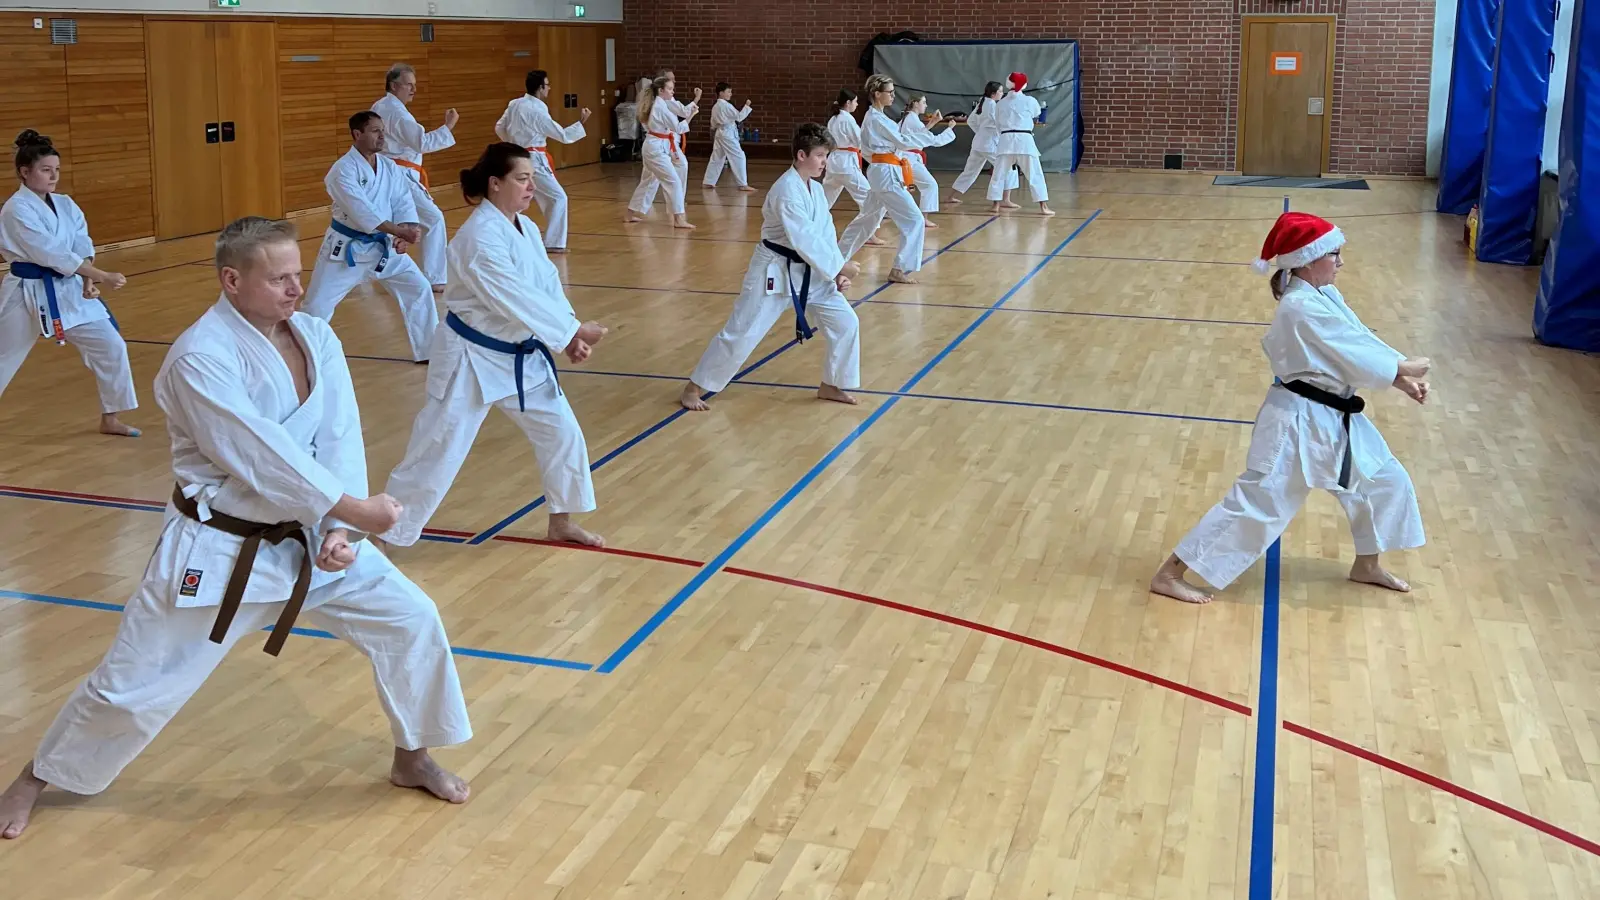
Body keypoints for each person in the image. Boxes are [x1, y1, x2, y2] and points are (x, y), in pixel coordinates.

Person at [0, 216, 474, 840]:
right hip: (222, 549)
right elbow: (259, 454)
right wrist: (353, 510)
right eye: (278, 278)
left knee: (412, 620)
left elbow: (337, 435)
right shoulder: (200, 358)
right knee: (136, 684)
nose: (295, 289)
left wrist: (343, 527)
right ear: (232, 280)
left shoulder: (315, 337)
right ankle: (34, 778)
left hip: (309, 539)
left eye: (298, 275)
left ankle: (411, 756)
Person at [1150, 212, 1431, 604]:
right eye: (1335, 254)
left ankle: (1366, 564)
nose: (1341, 262)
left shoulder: (1324, 296)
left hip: (1333, 416)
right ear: (1308, 259)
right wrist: (1403, 368)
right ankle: (1169, 574)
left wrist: (1399, 375)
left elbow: (1358, 340)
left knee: (1383, 480)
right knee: (1259, 503)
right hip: (1295, 421)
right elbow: (1349, 353)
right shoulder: (1298, 307)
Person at [382, 144, 608, 549]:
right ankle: (386, 535)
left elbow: (545, 287)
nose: (530, 186)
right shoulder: (478, 238)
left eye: (532, 178)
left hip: (521, 355)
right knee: (437, 449)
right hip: (471, 358)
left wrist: (569, 330)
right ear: (495, 183)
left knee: (562, 434)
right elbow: (511, 294)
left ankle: (561, 521)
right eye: (522, 178)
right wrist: (569, 331)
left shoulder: (527, 228)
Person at [680, 124, 862, 411]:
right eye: (820, 156)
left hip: (811, 273)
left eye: (826, 156)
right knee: (744, 331)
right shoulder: (786, 190)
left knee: (846, 323)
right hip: (774, 271)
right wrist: (839, 265)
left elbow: (823, 233)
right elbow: (803, 238)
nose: (824, 162)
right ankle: (694, 388)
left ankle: (831, 384)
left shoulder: (814, 188)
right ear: (801, 155)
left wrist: (836, 270)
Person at [0, 129, 137, 437]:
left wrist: (88, 278)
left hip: (69, 287)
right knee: (3, 357)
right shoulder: (15, 210)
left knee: (111, 345)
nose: (53, 177)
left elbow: (80, 240)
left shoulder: (65, 203)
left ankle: (111, 418)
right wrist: (99, 276)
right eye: (46, 170)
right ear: (25, 172)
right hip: (27, 291)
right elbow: (50, 253)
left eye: (56, 170)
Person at [301, 111, 437, 363]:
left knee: (418, 288)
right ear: (357, 134)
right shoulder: (341, 171)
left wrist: (406, 230)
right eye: (375, 131)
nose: (382, 136)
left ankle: (430, 351)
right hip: (346, 252)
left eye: (382, 130)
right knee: (316, 308)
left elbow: (402, 201)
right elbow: (362, 211)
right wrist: (398, 231)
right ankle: (301, 358)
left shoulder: (388, 166)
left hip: (384, 249)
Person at [837, 75, 953, 285]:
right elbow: (904, 141)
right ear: (877, 94)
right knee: (914, 220)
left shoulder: (877, 119)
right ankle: (900, 268)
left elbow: (898, 142)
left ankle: (836, 260)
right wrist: (937, 136)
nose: (893, 95)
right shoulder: (876, 119)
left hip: (882, 170)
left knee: (867, 220)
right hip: (885, 172)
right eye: (889, 92)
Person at [372, 62, 458, 293]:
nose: (413, 90)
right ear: (393, 85)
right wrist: (448, 126)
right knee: (433, 219)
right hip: (400, 176)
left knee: (389, 223)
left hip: (389, 173)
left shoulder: (382, 106)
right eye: (408, 85)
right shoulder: (396, 112)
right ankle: (434, 277)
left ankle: (374, 270)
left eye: (415, 85)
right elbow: (422, 143)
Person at [494, 69, 592, 253]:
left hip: (516, 157)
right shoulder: (537, 109)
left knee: (522, 198)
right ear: (540, 88)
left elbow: (499, 127)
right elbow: (561, 135)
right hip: (533, 161)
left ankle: (500, 236)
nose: (549, 88)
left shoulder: (515, 104)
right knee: (558, 197)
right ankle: (553, 242)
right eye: (547, 85)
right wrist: (581, 122)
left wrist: (513, 143)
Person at [625, 75, 700, 229]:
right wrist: (692, 115)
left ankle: (629, 214)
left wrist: (690, 109)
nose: (673, 92)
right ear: (661, 90)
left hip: (657, 146)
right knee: (673, 181)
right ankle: (679, 219)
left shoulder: (662, 104)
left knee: (648, 181)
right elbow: (678, 128)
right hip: (655, 149)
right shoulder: (660, 107)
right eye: (670, 89)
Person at [988, 73, 1054, 216]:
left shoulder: (1001, 103)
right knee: (1035, 173)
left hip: (1005, 140)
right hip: (1024, 140)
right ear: (1024, 85)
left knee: (998, 174)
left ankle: (996, 204)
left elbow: (998, 124)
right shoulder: (1030, 100)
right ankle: (1043, 206)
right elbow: (1036, 113)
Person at [949, 81, 1017, 208]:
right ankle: (1005, 200)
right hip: (989, 144)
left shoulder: (983, 102)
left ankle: (951, 196)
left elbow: (971, 121)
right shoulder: (992, 105)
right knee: (1009, 167)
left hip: (979, 142)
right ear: (993, 94)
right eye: (1000, 91)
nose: (1002, 94)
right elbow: (999, 124)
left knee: (970, 171)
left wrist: (980, 132)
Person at [896, 94, 958, 228]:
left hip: (904, 157)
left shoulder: (908, 118)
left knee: (897, 187)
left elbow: (920, 134)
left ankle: (888, 212)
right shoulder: (912, 119)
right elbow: (932, 140)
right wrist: (950, 129)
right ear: (915, 104)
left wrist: (933, 122)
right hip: (909, 159)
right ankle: (923, 218)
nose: (926, 105)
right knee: (929, 185)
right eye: (923, 102)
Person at [701, 82, 755, 191]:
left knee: (717, 157)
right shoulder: (725, 105)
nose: (730, 94)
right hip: (727, 134)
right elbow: (739, 117)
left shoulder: (716, 106)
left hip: (720, 132)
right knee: (739, 156)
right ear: (721, 93)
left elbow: (713, 124)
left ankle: (708, 181)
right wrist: (747, 106)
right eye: (728, 91)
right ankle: (742, 184)